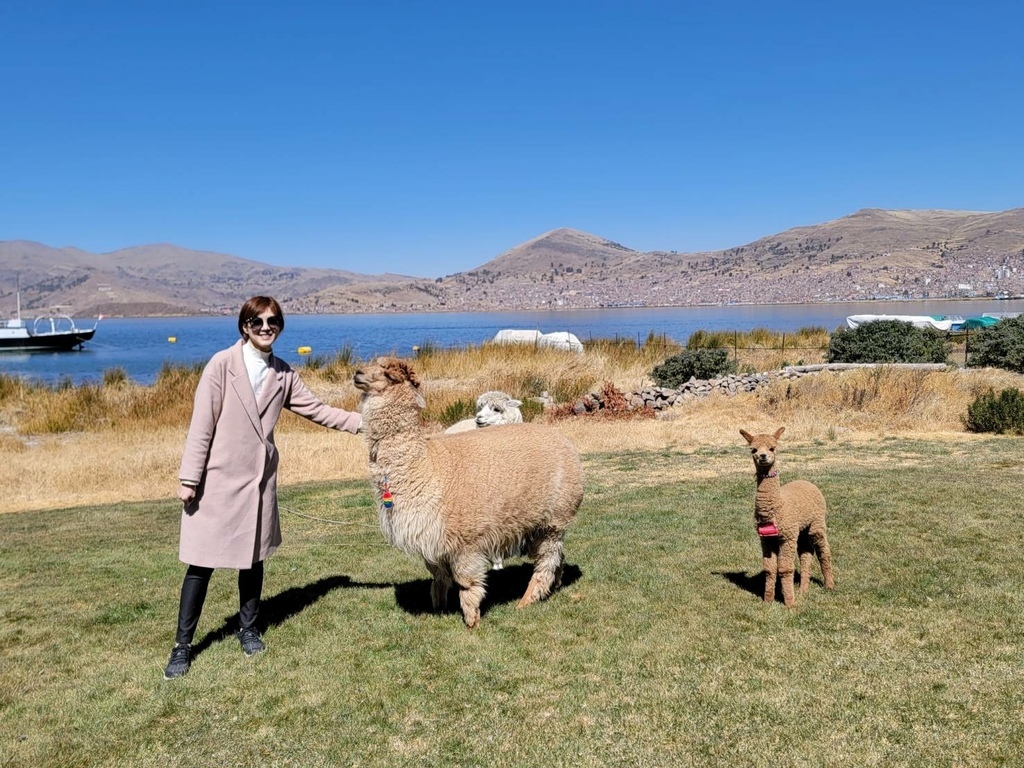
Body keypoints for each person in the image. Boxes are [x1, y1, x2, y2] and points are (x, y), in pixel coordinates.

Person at [163, 296, 361, 680]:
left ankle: (249, 629)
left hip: (258, 481)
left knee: (253, 560)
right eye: (257, 322)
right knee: (201, 563)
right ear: (244, 327)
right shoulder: (221, 366)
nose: (266, 327)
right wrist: (189, 479)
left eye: (273, 321)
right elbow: (201, 424)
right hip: (217, 482)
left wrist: (365, 422)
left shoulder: (283, 375)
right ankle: (182, 647)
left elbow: (318, 410)